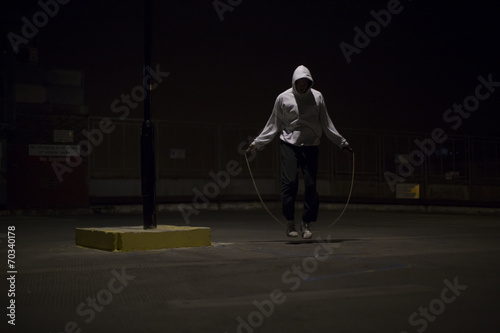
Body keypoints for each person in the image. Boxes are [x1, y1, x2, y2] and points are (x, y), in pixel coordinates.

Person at [246, 65, 353, 239]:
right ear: (294, 82)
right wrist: (256, 144)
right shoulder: (283, 98)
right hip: (289, 145)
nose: (302, 86)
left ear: (309, 82)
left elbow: (327, 123)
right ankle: (290, 222)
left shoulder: (317, 97)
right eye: (299, 83)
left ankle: (306, 222)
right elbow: (273, 124)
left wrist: (342, 143)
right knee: (290, 184)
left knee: (310, 185)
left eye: (305, 83)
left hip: (311, 146)